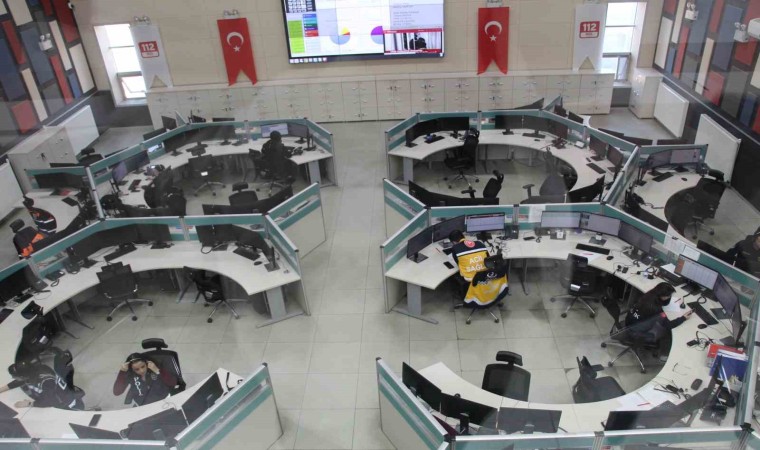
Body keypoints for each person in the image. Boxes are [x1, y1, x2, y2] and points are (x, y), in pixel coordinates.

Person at [625, 283, 692, 355]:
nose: (670, 297)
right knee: (666, 333)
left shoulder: (648, 295)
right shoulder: (655, 308)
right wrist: (683, 318)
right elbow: (667, 325)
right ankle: (661, 353)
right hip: (635, 332)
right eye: (669, 296)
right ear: (662, 296)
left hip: (628, 322)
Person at [0, 359, 84, 410]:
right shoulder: (38, 369)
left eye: (14, 376)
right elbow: (19, 381)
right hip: (59, 397)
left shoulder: (45, 382)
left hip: (68, 407)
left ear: (23, 376)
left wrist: (29, 404)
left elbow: (49, 402)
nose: (13, 378)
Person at [113, 353, 177, 406]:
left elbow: (172, 383)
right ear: (132, 370)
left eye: (143, 366)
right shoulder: (131, 376)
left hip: (164, 402)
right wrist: (122, 372)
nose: (141, 371)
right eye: (137, 369)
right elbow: (117, 392)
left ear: (147, 363)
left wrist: (157, 371)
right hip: (143, 406)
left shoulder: (155, 368)